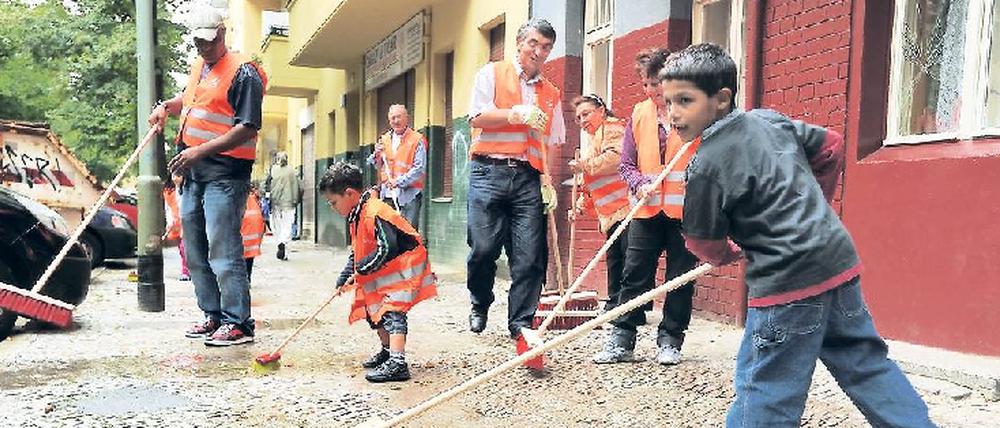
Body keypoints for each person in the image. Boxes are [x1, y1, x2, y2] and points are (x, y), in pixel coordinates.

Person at [661, 43, 934, 427]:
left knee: (766, 389)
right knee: (866, 364)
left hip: (786, 285)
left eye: (684, 101)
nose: (673, 113)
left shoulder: (705, 164)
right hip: (836, 261)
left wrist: (728, 253)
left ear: (721, 99)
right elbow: (831, 147)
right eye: (668, 102)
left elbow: (702, 242)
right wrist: (813, 205)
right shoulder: (768, 120)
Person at [147, 5, 266, 346]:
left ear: (223, 34)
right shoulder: (199, 65)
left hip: (225, 175)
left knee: (223, 248)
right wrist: (166, 107)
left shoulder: (244, 73)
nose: (204, 48)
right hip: (194, 174)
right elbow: (191, 100)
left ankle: (238, 322)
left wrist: (199, 151)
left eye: (209, 43)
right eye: (198, 43)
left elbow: (247, 126)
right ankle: (212, 315)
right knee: (195, 248)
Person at [595, 48, 699, 365]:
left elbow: (710, 161)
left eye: (657, 82)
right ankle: (622, 340)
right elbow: (626, 164)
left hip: (685, 212)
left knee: (680, 278)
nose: (651, 91)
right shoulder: (639, 115)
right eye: (646, 84)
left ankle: (670, 341)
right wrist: (639, 183)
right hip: (646, 210)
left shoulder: (695, 113)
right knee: (634, 275)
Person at [465, 18, 566, 342]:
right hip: (487, 172)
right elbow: (477, 117)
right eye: (534, 43)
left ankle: (520, 323)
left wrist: (546, 181)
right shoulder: (491, 73)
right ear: (520, 43)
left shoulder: (551, 93)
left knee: (530, 256)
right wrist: (516, 113)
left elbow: (551, 142)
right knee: (483, 250)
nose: (539, 51)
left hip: (527, 178)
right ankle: (480, 301)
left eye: (546, 47)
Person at [321, 162, 437, 383]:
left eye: (333, 202)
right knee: (373, 310)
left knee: (394, 311)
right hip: (386, 267)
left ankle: (398, 363)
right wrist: (345, 276)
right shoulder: (356, 214)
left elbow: (388, 247)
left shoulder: (375, 211)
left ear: (349, 193)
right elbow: (358, 251)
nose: (333, 207)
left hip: (404, 266)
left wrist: (362, 270)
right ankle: (387, 351)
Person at [566, 94, 630, 308]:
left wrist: (584, 165)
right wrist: (578, 207)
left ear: (601, 110)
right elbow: (592, 185)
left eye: (586, 114)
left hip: (626, 207)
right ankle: (618, 304)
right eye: (578, 117)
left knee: (625, 259)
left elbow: (615, 159)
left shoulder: (611, 128)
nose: (582, 121)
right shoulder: (594, 141)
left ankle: (623, 305)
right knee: (616, 258)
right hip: (612, 213)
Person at [367, 104, 427, 230]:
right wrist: (376, 154)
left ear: (407, 118)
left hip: (410, 196)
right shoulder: (384, 139)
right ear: (389, 120)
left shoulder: (417, 139)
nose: (396, 121)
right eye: (393, 118)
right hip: (387, 196)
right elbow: (373, 162)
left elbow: (419, 168)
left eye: (399, 117)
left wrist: (398, 182)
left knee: (408, 236)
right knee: (390, 236)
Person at [267, 151, 301, 260]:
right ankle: (283, 242)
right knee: (287, 225)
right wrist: (296, 200)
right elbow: (298, 186)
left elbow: (265, 184)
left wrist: (267, 196)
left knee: (277, 225)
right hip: (289, 202)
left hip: (275, 202)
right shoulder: (292, 171)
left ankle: (279, 242)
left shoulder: (272, 170)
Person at [163, 173, 190, 281]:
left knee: (185, 247)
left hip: (187, 222)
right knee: (181, 249)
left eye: (179, 175)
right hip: (175, 223)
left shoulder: (187, 189)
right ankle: (185, 270)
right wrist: (169, 221)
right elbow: (168, 208)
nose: (177, 178)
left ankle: (187, 270)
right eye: (174, 175)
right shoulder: (168, 191)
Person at [241, 185, 265, 285]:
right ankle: (248, 278)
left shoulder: (235, 199)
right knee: (249, 258)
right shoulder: (253, 200)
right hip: (253, 236)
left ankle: (243, 279)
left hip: (243, 234)